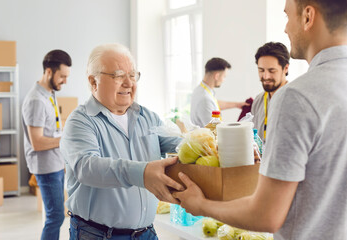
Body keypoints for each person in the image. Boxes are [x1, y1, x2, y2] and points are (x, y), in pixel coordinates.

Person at [173, 0, 347, 239]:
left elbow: (267, 215)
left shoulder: (296, 96)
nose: (285, 28)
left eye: (287, 16)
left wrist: (200, 204)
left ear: (308, 16)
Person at [60, 43, 184, 240]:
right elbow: (87, 167)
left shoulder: (147, 117)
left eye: (133, 75)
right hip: (98, 235)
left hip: (146, 233)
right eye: (118, 76)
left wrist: (213, 145)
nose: (128, 83)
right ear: (93, 82)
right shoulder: (80, 121)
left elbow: (179, 147)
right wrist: (142, 173)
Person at [22, 50, 72, 240]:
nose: (65, 81)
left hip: (55, 163)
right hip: (46, 167)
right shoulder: (36, 100)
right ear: (49, 72)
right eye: (63, 76)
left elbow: (51, 130)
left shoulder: (49, 93)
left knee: (56, 215)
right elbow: (37, 142)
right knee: (55, 216)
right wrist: (65, 139)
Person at [190, 58, 249, 127]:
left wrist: (236, 104)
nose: (223, 80)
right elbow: (215, 129)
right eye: (224, 76)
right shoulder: (205, 98)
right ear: (217, 76)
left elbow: (213, 104)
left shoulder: (200, 90)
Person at [251, 42, 290, 142]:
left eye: (272, 71)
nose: (266, 76)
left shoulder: (295, 99)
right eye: (261, 70)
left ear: (285, 68)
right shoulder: (258, 100)